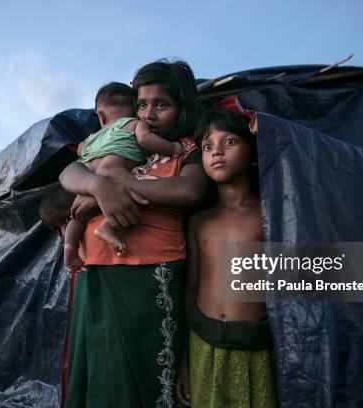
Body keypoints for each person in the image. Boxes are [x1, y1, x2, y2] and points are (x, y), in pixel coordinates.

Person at [59, 59, 207, 407]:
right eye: (142, 104)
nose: (149, 113)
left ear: (181, 106)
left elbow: (189, 191)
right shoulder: (123, 139)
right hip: (94, 272)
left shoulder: (186, 149)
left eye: (161, 104)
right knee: (99, 375)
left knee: (140, 377)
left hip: (150, 274)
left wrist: (119, 187)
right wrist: (98, 186)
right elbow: (69, 173)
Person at [176, 109, 278, 408]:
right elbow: (191, 290)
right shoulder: (199, 222)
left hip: (256, 349)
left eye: (230, 141)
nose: (216, 151)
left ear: (255, 154)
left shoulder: (272, 214)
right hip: (203, 343)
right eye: (207, 146)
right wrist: (184, 360)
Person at [64, 82, 185, 271]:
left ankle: (69, 248)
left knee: (77, 215)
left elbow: (79, 156)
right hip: (115, 170)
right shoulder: (134, 123)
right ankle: (107, 227)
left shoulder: (88, 140)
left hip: (90, 176)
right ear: (134, 109)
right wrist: (171, 148)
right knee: (139, 195)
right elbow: (145, 139)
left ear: (100, 115)